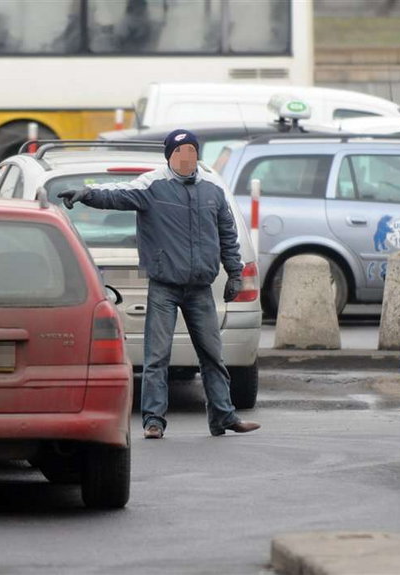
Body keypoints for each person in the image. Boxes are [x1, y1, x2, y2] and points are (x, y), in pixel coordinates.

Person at [58, 129, 260, 439]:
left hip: (200, 288)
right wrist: (86, 193)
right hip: (165, 286)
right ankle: (154, 421)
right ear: (170, 156)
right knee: (157, 356)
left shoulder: (212, 191)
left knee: (212, 356)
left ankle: (223, 416)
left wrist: (234, 273)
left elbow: (227, 236)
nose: (187, 158)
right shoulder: (153, 186)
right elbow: (116, 194)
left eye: (191, 151)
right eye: (180, 152)